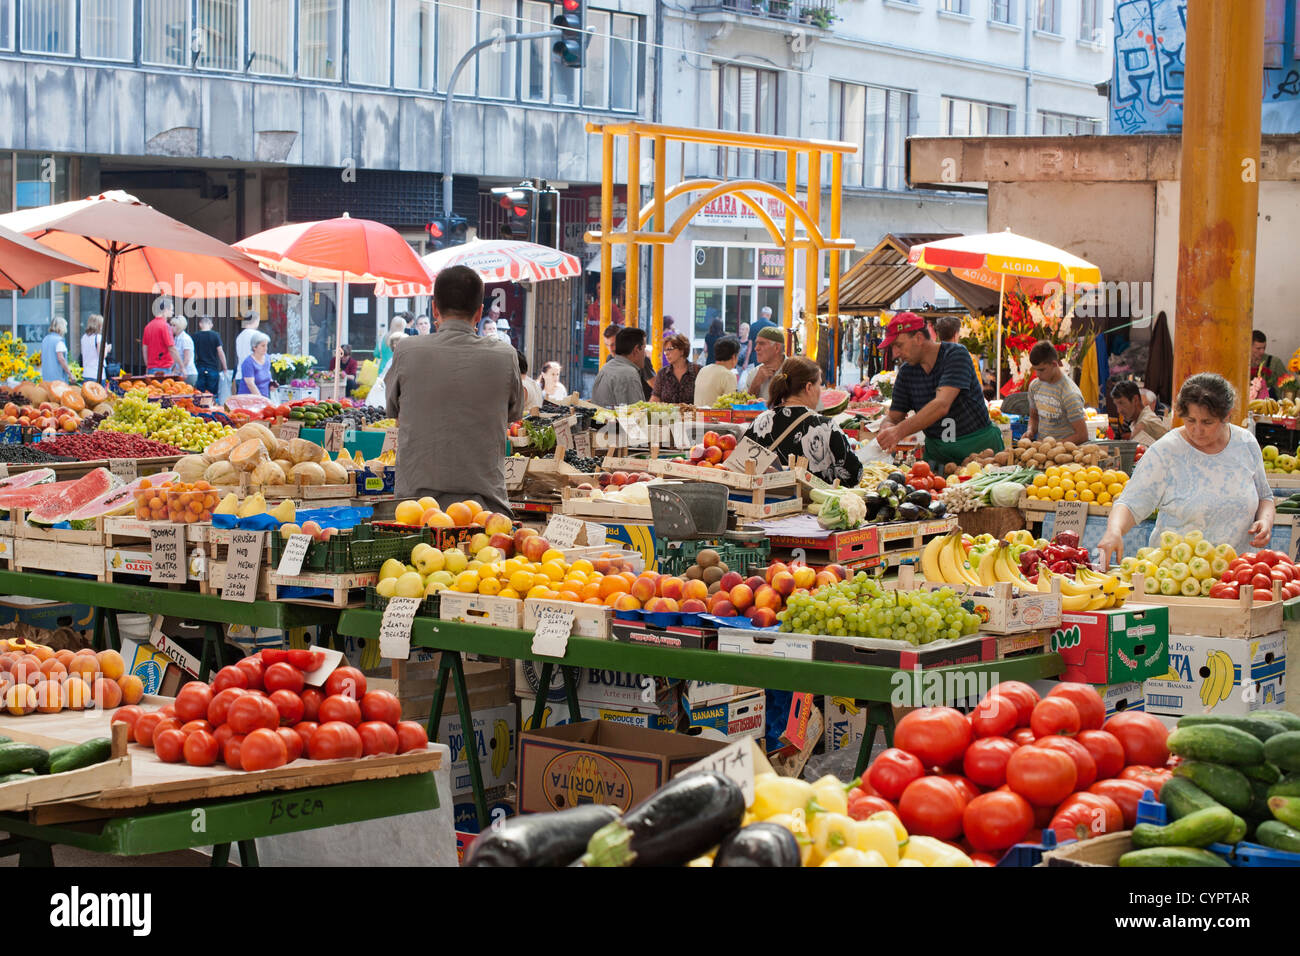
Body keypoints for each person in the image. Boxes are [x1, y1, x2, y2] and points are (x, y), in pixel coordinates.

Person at [387, 265, 523, 516]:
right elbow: (514, 413)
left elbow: (392, 409)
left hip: (416, 510)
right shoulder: (506, 356)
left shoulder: (406, 351)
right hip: (485, 511)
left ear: (434, 308)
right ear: (480, 311)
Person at [1098, 373, 1274, 566]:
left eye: (1207, 422)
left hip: (1237, 574)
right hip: (1176, 576)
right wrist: (1114, 531)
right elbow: (1130, 503)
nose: (1197, 430)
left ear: (1227, 415)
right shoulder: (1167, 450)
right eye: (1190, 420)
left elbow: (1264, 496)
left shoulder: (1245, 443)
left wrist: (1265, 521)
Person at [874, 311, 1001, 471]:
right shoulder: (906, 373)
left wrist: (899, 431)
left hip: (979, 451)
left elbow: (941, 405)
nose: (895, 354)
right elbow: (893, 417)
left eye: (899, 345)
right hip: (938, 456)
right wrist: (887, 427)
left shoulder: (956, 354)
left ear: (919, 338)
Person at [742, 356, 862, 485]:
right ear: (808, 387)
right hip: (811, 504)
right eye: (819, 384)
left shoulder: (761, 421)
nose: (820, 391)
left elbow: (742, 463)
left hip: (767, 501)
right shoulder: (825, 426)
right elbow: (854, 474)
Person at [1025, 339, 1088, 444]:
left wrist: (1054, 447)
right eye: (1035, 369)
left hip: (1063, 454)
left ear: (1054, 364)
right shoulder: (1035, 386)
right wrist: (1030, 431)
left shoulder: (1070, 394)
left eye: (1041, 370)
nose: (1037, 374)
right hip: (1041, 451)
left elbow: (1082, 435)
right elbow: (1034, 417)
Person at [592, 327, 649, 408]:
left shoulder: (605, 368)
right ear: (636, 350)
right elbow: (635, 416)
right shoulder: (629, 374)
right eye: (644, 348)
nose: (645, 354)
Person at [1111, 379, 1170, 445]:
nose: (1119, 410)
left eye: (1121, 403)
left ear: (1135, 400)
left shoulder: (1144, 423)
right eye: (1116, 405)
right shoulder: (1139, 420)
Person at [739, 326, 787, 402]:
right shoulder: (754, 373)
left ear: (777, 348)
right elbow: (744, 408)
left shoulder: (794, 371)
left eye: (761, 343)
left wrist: (768, 405)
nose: (756, 348)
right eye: (756, 343)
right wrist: (755, 384)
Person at [651, 333, 701, 404]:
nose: (666, 353)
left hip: (691, 414)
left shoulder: (697, 370)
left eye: (670, 349)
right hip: (668, 414)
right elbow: (655, 398)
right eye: (665, 350)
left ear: (682, 351)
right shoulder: (662, 373)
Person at [142, 301, 181, 377]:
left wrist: (148, 365)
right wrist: (182, 366)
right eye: (171, 310)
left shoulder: (148, 326)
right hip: (164, 368)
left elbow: (144, 348)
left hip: (151, 368)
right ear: (165, 310)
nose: (172, 313)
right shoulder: (165, 326)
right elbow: (172, 348)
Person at [192, 315, 227, 395]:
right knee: (212, 395)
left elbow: (191, 352)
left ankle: (200, 407)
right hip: (212, 368)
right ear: (211, 325)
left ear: (200, 324)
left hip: (199, 367)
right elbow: (220, 352)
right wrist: (225, 367)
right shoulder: (215, 335)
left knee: (199, 394)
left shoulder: (195, 336)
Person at [1252, 330, 1288, 397]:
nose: (1262, 352)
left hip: (1272, 404)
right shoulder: (1241, 364)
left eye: (1264, 348)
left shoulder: (1274, 362)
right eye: (1258, 348)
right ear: (1249, 346)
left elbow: (1290, 385)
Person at [239, 332, 273, 398]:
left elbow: (267, 375)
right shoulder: (248, 362)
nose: (266, 348)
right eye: (263, 346)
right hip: (249, 399)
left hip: (264, 397)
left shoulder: (267, 358)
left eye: (266, 345)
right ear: (254, 347)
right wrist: (261, 399)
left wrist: (272, 384)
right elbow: (250, 384)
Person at [41, 317, 72, 383]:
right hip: (57, 378)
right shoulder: (59, 341)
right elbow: (61, 359)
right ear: (61, 327)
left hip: (46, 377)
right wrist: (70, 374)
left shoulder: (45, 339)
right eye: (65, 326)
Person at [80, 313, 110, 382]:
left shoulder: (84, 337)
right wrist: (107, 348)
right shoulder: (98, 338)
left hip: (86, 374)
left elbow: (83, 353)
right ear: (99, 325)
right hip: (97, 374)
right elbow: (102, 355)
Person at [170, 315, 197, 386]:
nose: (171, 327)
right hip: (181, 373)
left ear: (180, 327)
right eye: (171, 325)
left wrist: (178, 371)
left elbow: (187, 359)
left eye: (174, 325)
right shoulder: (176, 338)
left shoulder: (185, 339)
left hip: (188, 373)